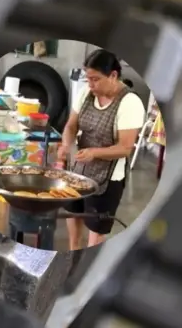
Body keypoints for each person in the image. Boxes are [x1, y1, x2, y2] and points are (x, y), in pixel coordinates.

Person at [58, 49, 145, 250]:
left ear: (113, 75)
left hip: (107, 178)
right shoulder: (86, 93)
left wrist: (94, 153)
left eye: (95, 79)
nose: (90, 85)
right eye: (88, 79)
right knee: (74, 212)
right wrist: (66, 145)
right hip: (78, 169)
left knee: (96, 226)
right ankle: (72, 251)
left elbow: (125, 147)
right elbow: (71, 125)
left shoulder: (129, 103)